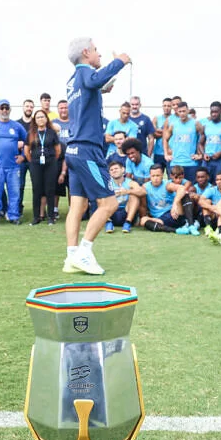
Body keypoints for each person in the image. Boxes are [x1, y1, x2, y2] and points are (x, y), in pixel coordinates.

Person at [62, 37, 130, 275]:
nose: (99, 53)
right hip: (87, 150)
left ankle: (71, 257)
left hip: (73, 150)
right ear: (85, 52)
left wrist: (102, 88)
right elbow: (93, 79)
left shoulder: (73, 81)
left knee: (78, 206)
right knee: (109, 203)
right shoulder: (84, 72)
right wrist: (120, 61)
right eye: (96, 50)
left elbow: (91, 87)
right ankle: (84, 253)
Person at [26, 110, 62, 225]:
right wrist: (33, 161)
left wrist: (51, 159)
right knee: (36, 190)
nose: (40, 119)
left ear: (46, 119)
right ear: (35, 120)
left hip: (50, 164)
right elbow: (27, 151)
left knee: (50, 190)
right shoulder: (31, 133)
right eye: (38, 117)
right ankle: (36, 217)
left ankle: (51, 217)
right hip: (35, 164)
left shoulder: (52, 133)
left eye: (42, 117)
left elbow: (58, 150)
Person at [163, 100, 200, 181]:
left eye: (184, 111)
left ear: (188, 110)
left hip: (191, 163)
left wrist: (200, 155)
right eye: (180, 111)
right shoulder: (173, 124)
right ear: (177, 111)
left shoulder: (195, 123)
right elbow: (165, 139)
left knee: (190, 187)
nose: (182, 113)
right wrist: (166, 154)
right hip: (176, 162)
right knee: (175, 186)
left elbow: (203, 138)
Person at [102, 160, 140, 232]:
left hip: (127, 213)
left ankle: (127, 223)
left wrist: (127, 191)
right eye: (111, 170)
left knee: (134, 196)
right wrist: (111, 195)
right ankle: (108, 223)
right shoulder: (107, 184)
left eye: (116, 168)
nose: (114, 171)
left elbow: (143, 192)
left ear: (123, 169)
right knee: (100, 196)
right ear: (109, 173)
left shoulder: (130, 182)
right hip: (111, 213)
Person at [198, 101, 221, 178]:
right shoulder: (206, 126)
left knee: (219, 181)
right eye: (212, 112)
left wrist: (220, 153)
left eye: (216, 112)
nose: (214, 114)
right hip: (207, 161)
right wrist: (204, 154)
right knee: (204, 181)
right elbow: (200, 144)